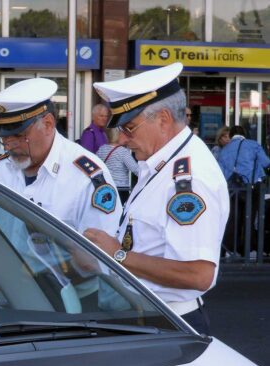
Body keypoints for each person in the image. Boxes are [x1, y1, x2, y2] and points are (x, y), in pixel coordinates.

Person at [0, 78, 122, 300]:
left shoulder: (87, 176)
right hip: (8, 298)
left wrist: (31, 279)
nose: (9, 145)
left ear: (47, 124)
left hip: (70, 304)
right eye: (4, 138)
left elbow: (99, 259)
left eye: (18, 136)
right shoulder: (1, 170)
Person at [84, 62, 230, 333]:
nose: (123, 140)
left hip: (166, 323)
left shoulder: (187, 178)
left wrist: (116, 254)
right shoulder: (162, 163)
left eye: (129, 128)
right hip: (149, 317)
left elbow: (198, 274)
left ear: (163, 119)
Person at [217, 125, 270, 256]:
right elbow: (266, 162)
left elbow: (221, 173)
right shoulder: (253, 145)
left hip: (233, 189)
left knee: (233, 219)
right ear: (244, 134)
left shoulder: (224, 150)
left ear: (231, 136)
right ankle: (248, 249)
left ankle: (228, 249)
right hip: (251, 187)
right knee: (250, 218)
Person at [96, 127, 139, 201]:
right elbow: (135, 169)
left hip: (106, 187)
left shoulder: (101, 149)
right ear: (118, 135)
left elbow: (96, 166)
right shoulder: (123, 152)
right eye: (123, 133)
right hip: (121, 189)